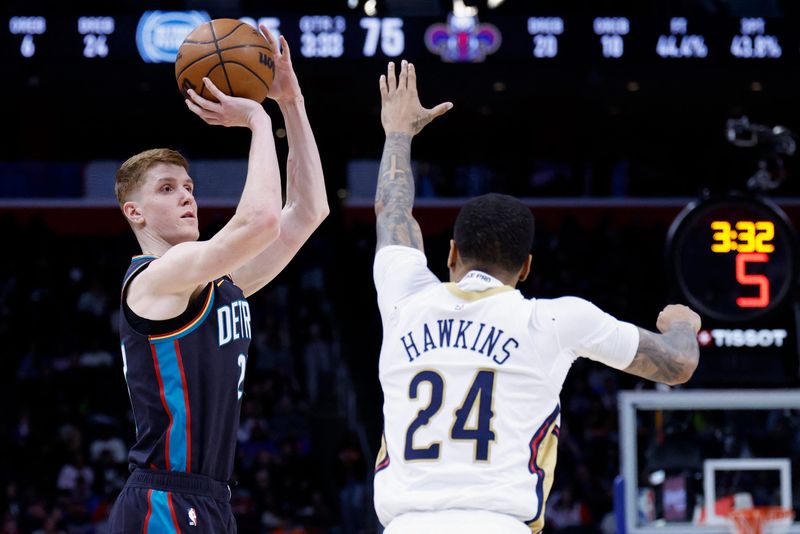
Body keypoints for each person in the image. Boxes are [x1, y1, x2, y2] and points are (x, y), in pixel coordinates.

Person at [371, 60, 700, 534]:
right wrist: (682, 323)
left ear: (450, 254)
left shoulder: (404, 299)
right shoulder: (554, 320)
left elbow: (392, 208)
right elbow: (678, 365)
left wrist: (397, 132)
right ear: (526, 268)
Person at [106, 26, 328, 534]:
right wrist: (255, 117)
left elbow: (308, 211)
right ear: (134, 211)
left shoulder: (215, 282)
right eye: (166, 189)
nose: (186, 196)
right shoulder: (155, 280)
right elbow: (262, 222)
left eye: (188, 186)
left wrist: (291, 102)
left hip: (212, 500)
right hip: (161, 500)